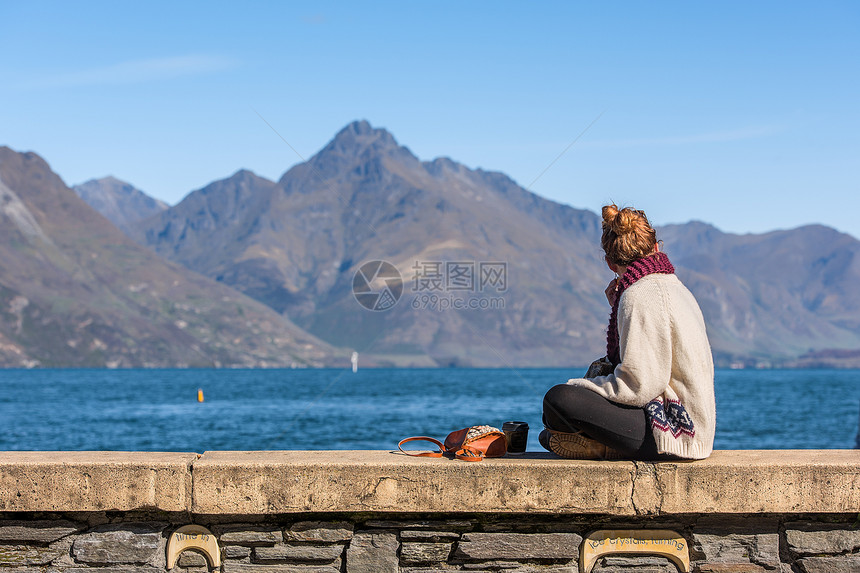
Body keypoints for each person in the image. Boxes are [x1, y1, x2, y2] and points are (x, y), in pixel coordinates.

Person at [540, 204, 715, 460]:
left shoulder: (639, 295)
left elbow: (639, 385)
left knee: (558, 399)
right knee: (552, 427)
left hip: (673, 432)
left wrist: (582, 386)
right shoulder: (677, 288)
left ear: (610, 263)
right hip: (695, 428)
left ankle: (601, 446)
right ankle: (598, 444)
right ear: (657, 247)